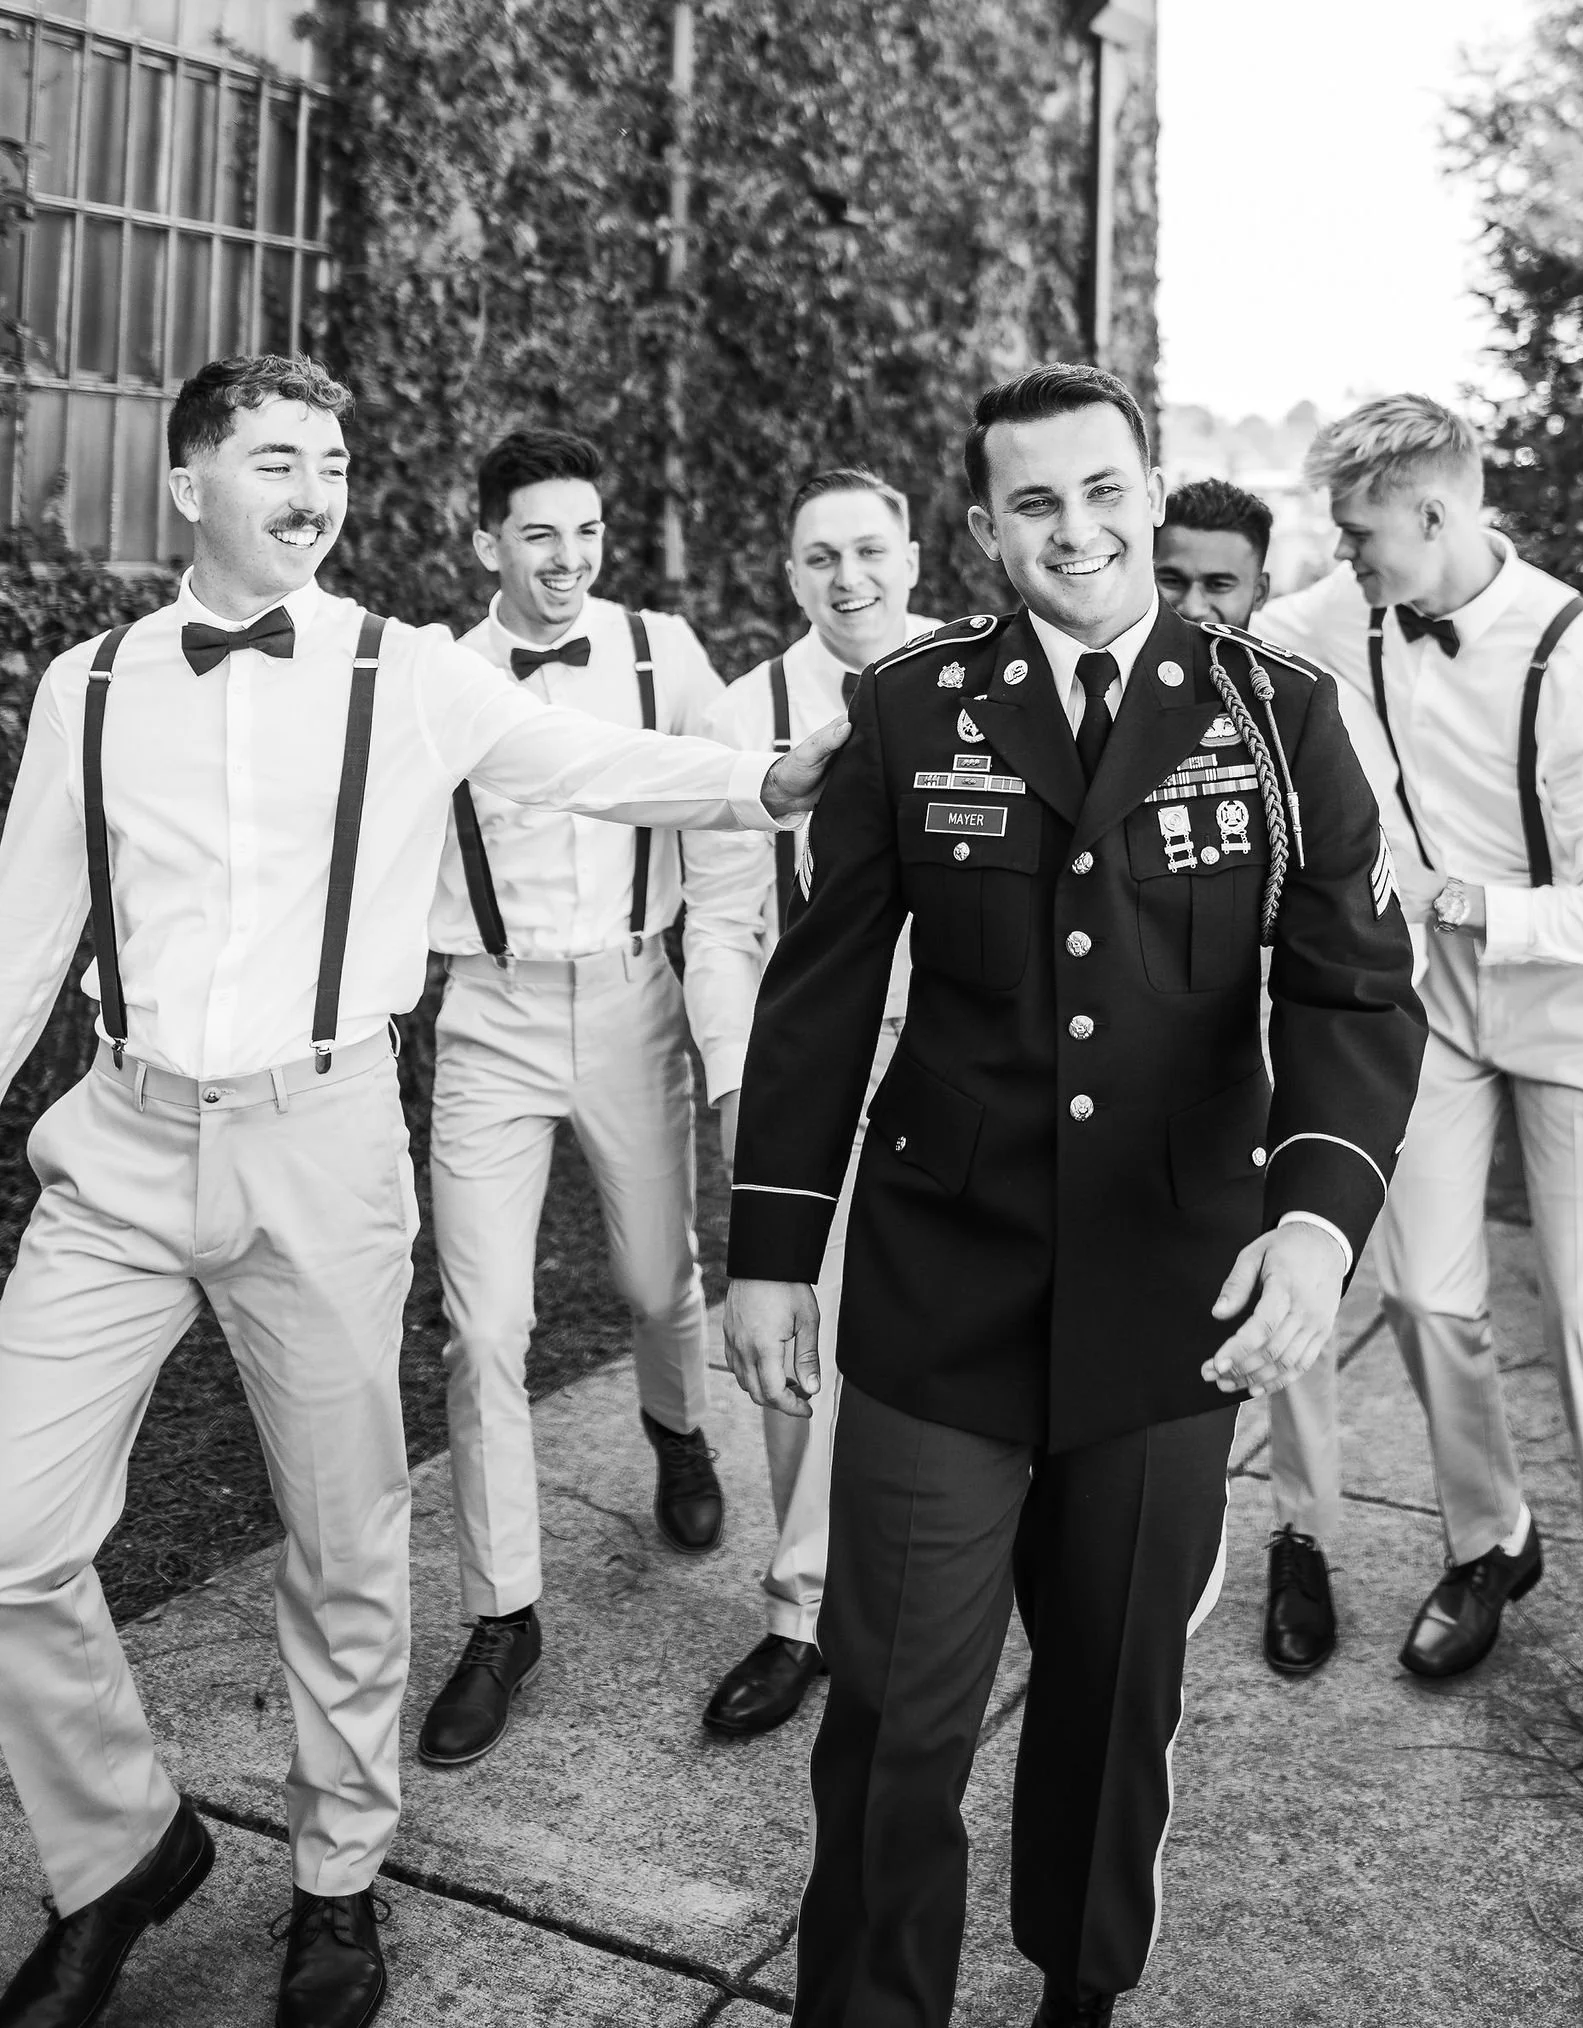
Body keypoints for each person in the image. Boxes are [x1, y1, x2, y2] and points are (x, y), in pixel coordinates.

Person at [0, 355, 844, 2028]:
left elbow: (585, 758)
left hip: (322, 1137)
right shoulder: (93, 686)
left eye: (332, 460)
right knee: (9, 1541)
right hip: (117, 1140)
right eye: (273, 459)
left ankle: (337, 1875)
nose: (314, 490)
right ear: (187, 484)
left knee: (344, 1534)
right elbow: (20, 934)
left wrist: (760, 778)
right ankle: (119, 1846)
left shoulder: (402, 671)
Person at [724, 362, 1425, 2028]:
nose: (1078, 527)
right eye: (1034, 500)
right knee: (894, 1708)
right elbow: (819, 994)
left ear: (1146, 485)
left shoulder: (1277, 712)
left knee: (1117, 1694)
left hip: (1169, 1291)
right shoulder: (909, 708)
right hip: (937, 1287)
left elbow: (1347, 990)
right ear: (981, 526)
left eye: (1103, 489)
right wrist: (766, 1251)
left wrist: (1316, 1218)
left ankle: (1081, 1986)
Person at [1261, 392, 1583, 1817]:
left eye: (1363, 530)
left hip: (1567, 997)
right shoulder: (1342, 614)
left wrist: (1474, 904)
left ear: (1437, 517)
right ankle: (1491, 1538)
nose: (1346, 554)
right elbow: (1226, 644)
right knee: (1431, 1296)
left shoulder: (1582, 660)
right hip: (1430, 1006)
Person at [415, 426, 732, 1774]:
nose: (566, 558)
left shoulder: (661, 653)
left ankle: (677, 1424)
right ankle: (503, 1617)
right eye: (538, 533)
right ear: (485, 540)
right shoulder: (434, 677)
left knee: (660, 1283)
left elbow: (741, 807)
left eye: (586, 531)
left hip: (629, 995)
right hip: (487, 1014)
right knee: (484, 1329)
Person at [682, 466, 934, 1740]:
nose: (851, 578)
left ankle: (937, 1583)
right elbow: (723, 928)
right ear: (791, 576)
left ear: (913, 553)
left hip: (956, 1053)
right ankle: (800, 1608)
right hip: (819, 1060)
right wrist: (739, 1083)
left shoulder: (976, 674)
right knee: (795, 1331)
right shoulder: (745, 711)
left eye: (871, 550)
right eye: (822, 558)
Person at [1154, 476, 1346, 1684]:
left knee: (1292, 1279)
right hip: (1161, 1058)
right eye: (1172, 579)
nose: (1191, 603)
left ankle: (1303, 1535)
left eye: (1217, 582)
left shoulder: (1294, 705)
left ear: (1260, 587)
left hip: (1281, 1034)